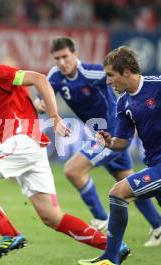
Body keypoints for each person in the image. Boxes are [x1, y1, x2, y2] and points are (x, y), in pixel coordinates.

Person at [0, 26, 130, 262]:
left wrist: (55, 116)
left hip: (23, 141)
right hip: (32, 149)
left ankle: (10, 234)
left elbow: (38, 79)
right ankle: (114, 246)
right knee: (51, 217)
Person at [34, 37, 161, 246]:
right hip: (104, 137)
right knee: (129, 184)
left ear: (75, 55)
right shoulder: (56, 76)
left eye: (65, 57)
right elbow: (44, 93)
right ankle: (157, 225)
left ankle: (101, 217)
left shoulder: (92, 73)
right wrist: (40, 102)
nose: (62, 62)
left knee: (73, 170)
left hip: (113, 132)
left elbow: (118, 80)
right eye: (57, 58)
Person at [78, 46, 161, 265]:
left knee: (118, 192)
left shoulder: (157, 86)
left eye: (110, 75)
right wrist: (109, 142)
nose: (107, 81)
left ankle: (111, 257)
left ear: (126, 71)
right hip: (154, 163)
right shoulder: (123, 102)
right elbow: (122, 143)